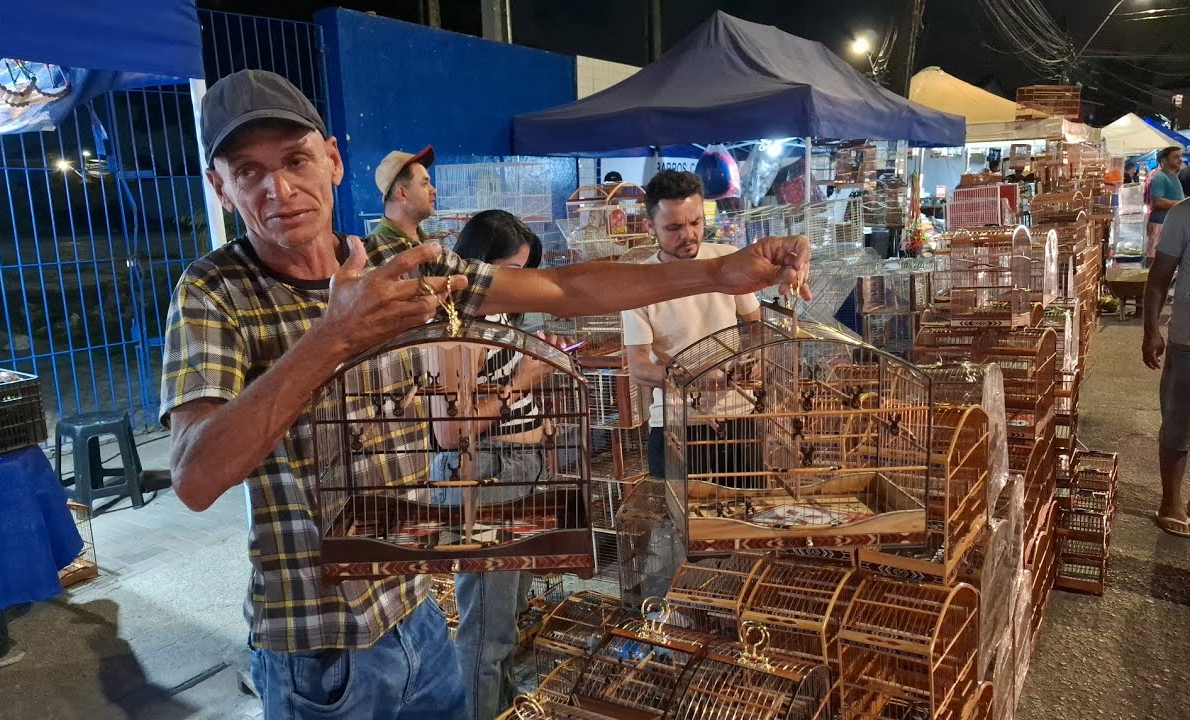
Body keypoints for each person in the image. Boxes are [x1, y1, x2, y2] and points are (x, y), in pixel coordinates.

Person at [161, 69, 812, 720]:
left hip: (415, 607)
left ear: (331, 160)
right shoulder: (214, 292)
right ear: (219, 186)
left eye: (295, 159)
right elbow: (195, 476)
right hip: (318, 643)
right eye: (247, 170)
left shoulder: (401, 270)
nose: (277, 188)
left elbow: (565, 289)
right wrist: (331, 337)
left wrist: (719, 272)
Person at [430, 210, 543, 720]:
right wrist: (523, 382)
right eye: (511, 270)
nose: (519, 282)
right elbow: (450, 431)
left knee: (510, 613)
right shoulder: (460, 323)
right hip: (484, 474)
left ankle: (502, 704)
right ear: (478, 266)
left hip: (515, 470)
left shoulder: (499, 316)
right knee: (486, 629)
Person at [620, 170, 763, 483]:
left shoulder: (726, 261)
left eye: (696, 222)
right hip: (675, 423)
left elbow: (756, 327)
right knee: (675, 525)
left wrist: (753, 361)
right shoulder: (637, 284)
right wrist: (696, 380)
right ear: (649, 227)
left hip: (737, 414)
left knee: (749, 516)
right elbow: (639, 368)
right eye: (674, 227)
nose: (689, 234)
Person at [1143, 196, 1190, 537]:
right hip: (1188, 339)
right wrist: (1151, 330)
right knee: (1178, 422)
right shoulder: (1183, 213)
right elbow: (1159, 277)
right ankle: (1170, 501)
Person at [368, 146, 438, 245]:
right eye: (424, 183)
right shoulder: (377, 251)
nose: (434, 190)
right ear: (402, 193)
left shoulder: (421, 238)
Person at [1147, 146, 1185, 263]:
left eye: (1180, 157)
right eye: (1175, 157)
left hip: (1170, 225)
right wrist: (1183, 204)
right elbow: (1157, 201)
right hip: (1160, 225)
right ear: (1164, 161)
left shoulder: (1173, 176)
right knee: (1156, 261)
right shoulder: (1160, 177)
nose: (1180, 160)